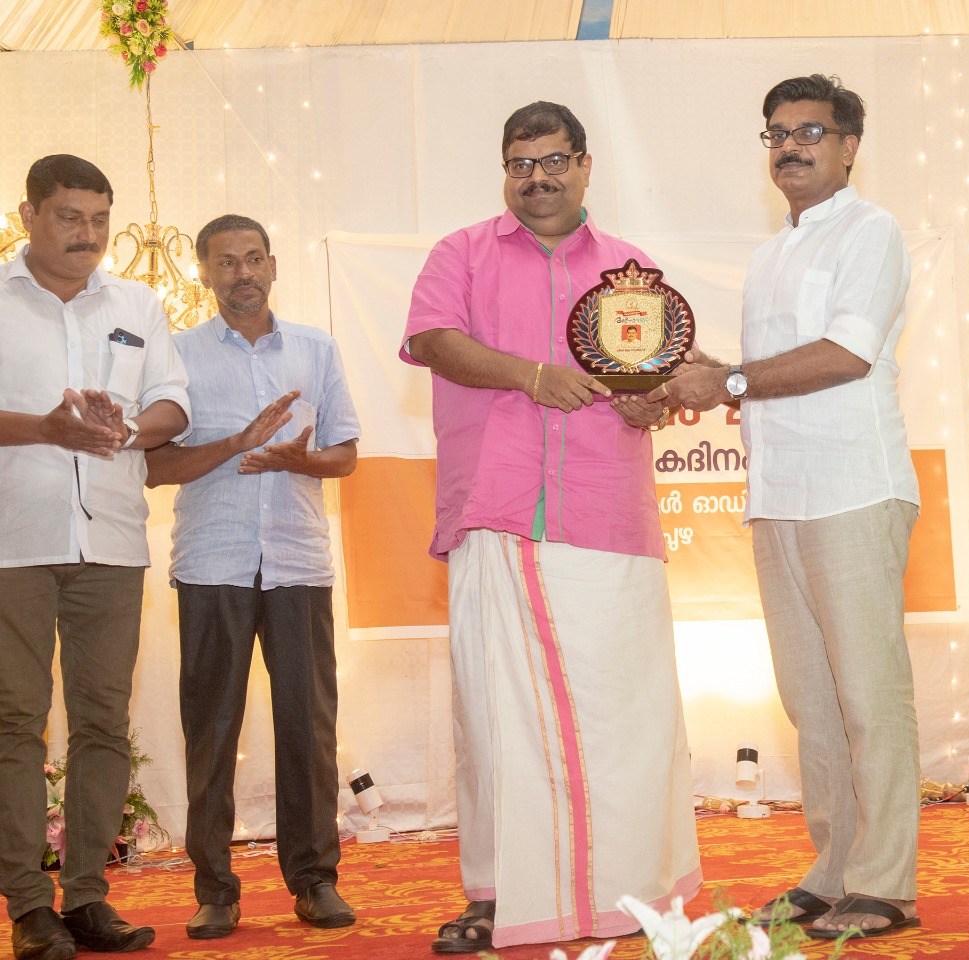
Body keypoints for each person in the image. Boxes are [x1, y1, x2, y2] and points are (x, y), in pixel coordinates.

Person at [400, 100, 700, 952]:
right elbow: (432, 340)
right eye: (521, 162)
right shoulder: (461, 251)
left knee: (624, 715)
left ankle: (630, 891)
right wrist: (533, 376)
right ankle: (496, 896)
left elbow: (653, 382)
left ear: (585, 164)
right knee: (497, 721)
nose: (538, 177)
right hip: (496, 508)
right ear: (505, 170)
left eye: (554, 160)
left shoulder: (630, 270)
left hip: (607, 512)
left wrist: (648, 403)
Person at [656, 74, 921, 938]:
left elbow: (846, 354)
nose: (791, 146)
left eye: (811, 131)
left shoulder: (872, 232)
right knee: (810, 698)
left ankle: (886, 882)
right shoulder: (772, 254)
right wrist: (711, 373)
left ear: (850, 145)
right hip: (779, 491)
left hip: (852, 486)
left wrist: (730, 378)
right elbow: (770, 377)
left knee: (869, 695)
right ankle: (834, 866)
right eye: (775, 133)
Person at [145, 215, 361, 939]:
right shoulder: (176, 356)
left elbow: (344, 456)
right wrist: (238, 444)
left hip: (298, 563)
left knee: (309, 730)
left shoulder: (315, 348)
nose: (243, 273)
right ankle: (215, 890)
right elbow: (153, 467)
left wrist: (297, 459)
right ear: (203, 273)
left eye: (253, 259)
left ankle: (315, 880)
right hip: (212, 563)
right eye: (225, 262)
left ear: (272, 264)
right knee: (211, 731)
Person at [0, 155, 190, 960]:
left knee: (103, 722)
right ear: (29, 214)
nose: (88, 235)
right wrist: (45, 429)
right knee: (13, 720)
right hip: (15, 539)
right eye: (71, 216)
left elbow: (175, 404)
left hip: (111, 539)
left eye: (100, 218)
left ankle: (86, 897)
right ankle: (27, 906)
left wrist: (129, 433)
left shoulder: (140, 302)